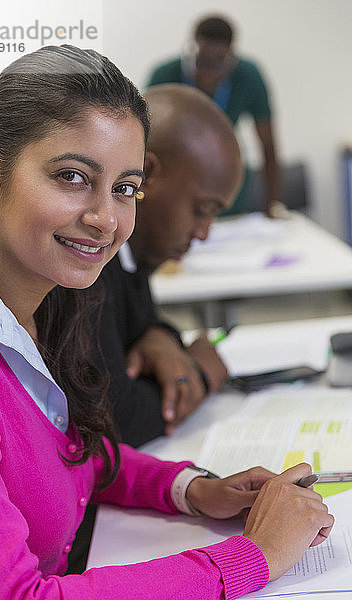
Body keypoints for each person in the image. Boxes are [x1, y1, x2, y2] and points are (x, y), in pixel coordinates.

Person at [0, 44, 333, 600]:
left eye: (125, 189)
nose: (106, 218)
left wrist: (191, 488)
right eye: (73, 176)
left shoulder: (44, 300)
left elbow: (75, 457)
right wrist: (253, 558)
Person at [85, 83, 241, 447]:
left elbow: (139, 326)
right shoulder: (89, 262)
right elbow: (112, 419)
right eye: (201, 210)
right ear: (146, 173)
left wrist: (160, 336)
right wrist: (202, 374)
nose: (203, 233)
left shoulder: (134, 258)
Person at [146, 15, 280, 216]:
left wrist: (273, 205)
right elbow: (146, 141)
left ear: (232, 58)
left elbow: (268, 145)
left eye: (218, 63)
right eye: (202, 62)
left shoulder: (248, 76)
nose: (208, 73)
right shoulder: (165, 75)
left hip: (227, 185)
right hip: (175, 184)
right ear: (191, 50)